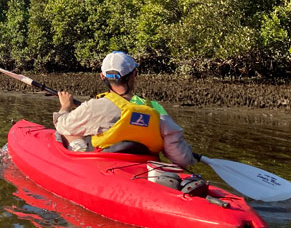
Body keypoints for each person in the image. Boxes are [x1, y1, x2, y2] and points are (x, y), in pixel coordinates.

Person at [53, 51, 195, 168]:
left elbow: (62, 125)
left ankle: (79, 157)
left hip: (106, 166)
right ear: (134, 74)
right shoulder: (155, 109)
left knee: (71, 133)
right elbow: (182, 159)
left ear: (103, 77)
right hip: (145, 166)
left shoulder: (94, 106)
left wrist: (66, 106)